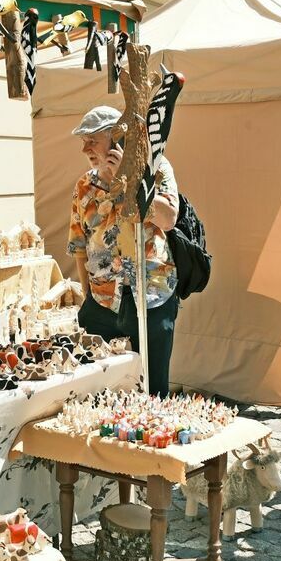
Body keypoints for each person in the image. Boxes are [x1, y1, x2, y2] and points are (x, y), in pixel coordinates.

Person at [67, 105, 180, 396]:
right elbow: (79, 244)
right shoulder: (85, 185)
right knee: (100, 390)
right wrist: (88, 295)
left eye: (91, 140)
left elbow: (168, 219)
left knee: (152, 389)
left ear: (117, 137)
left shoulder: (154, 168)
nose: (85, 149)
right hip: (102, 302)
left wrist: (132, 184)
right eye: (83, 141)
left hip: (150, 298)